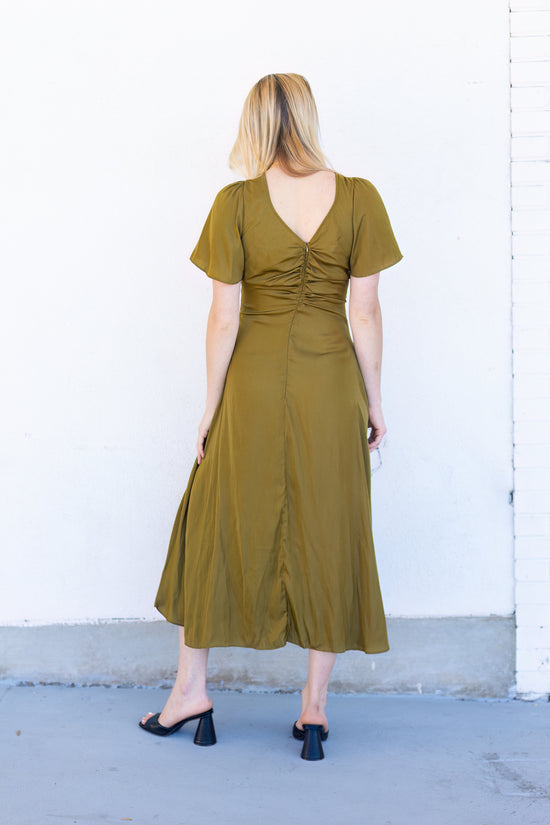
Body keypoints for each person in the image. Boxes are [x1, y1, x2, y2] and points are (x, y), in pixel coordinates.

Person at [139, 72, 403, 760]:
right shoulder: (359, 197)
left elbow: (224, 317)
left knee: (213, 521)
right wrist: (375, 401)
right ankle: (314, 709)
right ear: (308, 117)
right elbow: (365, 313)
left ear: (254, 123)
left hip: (252, 383)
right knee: (330, 525)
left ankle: (191, 692)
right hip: (330, 383)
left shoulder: (235, 203)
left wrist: (209, 407)